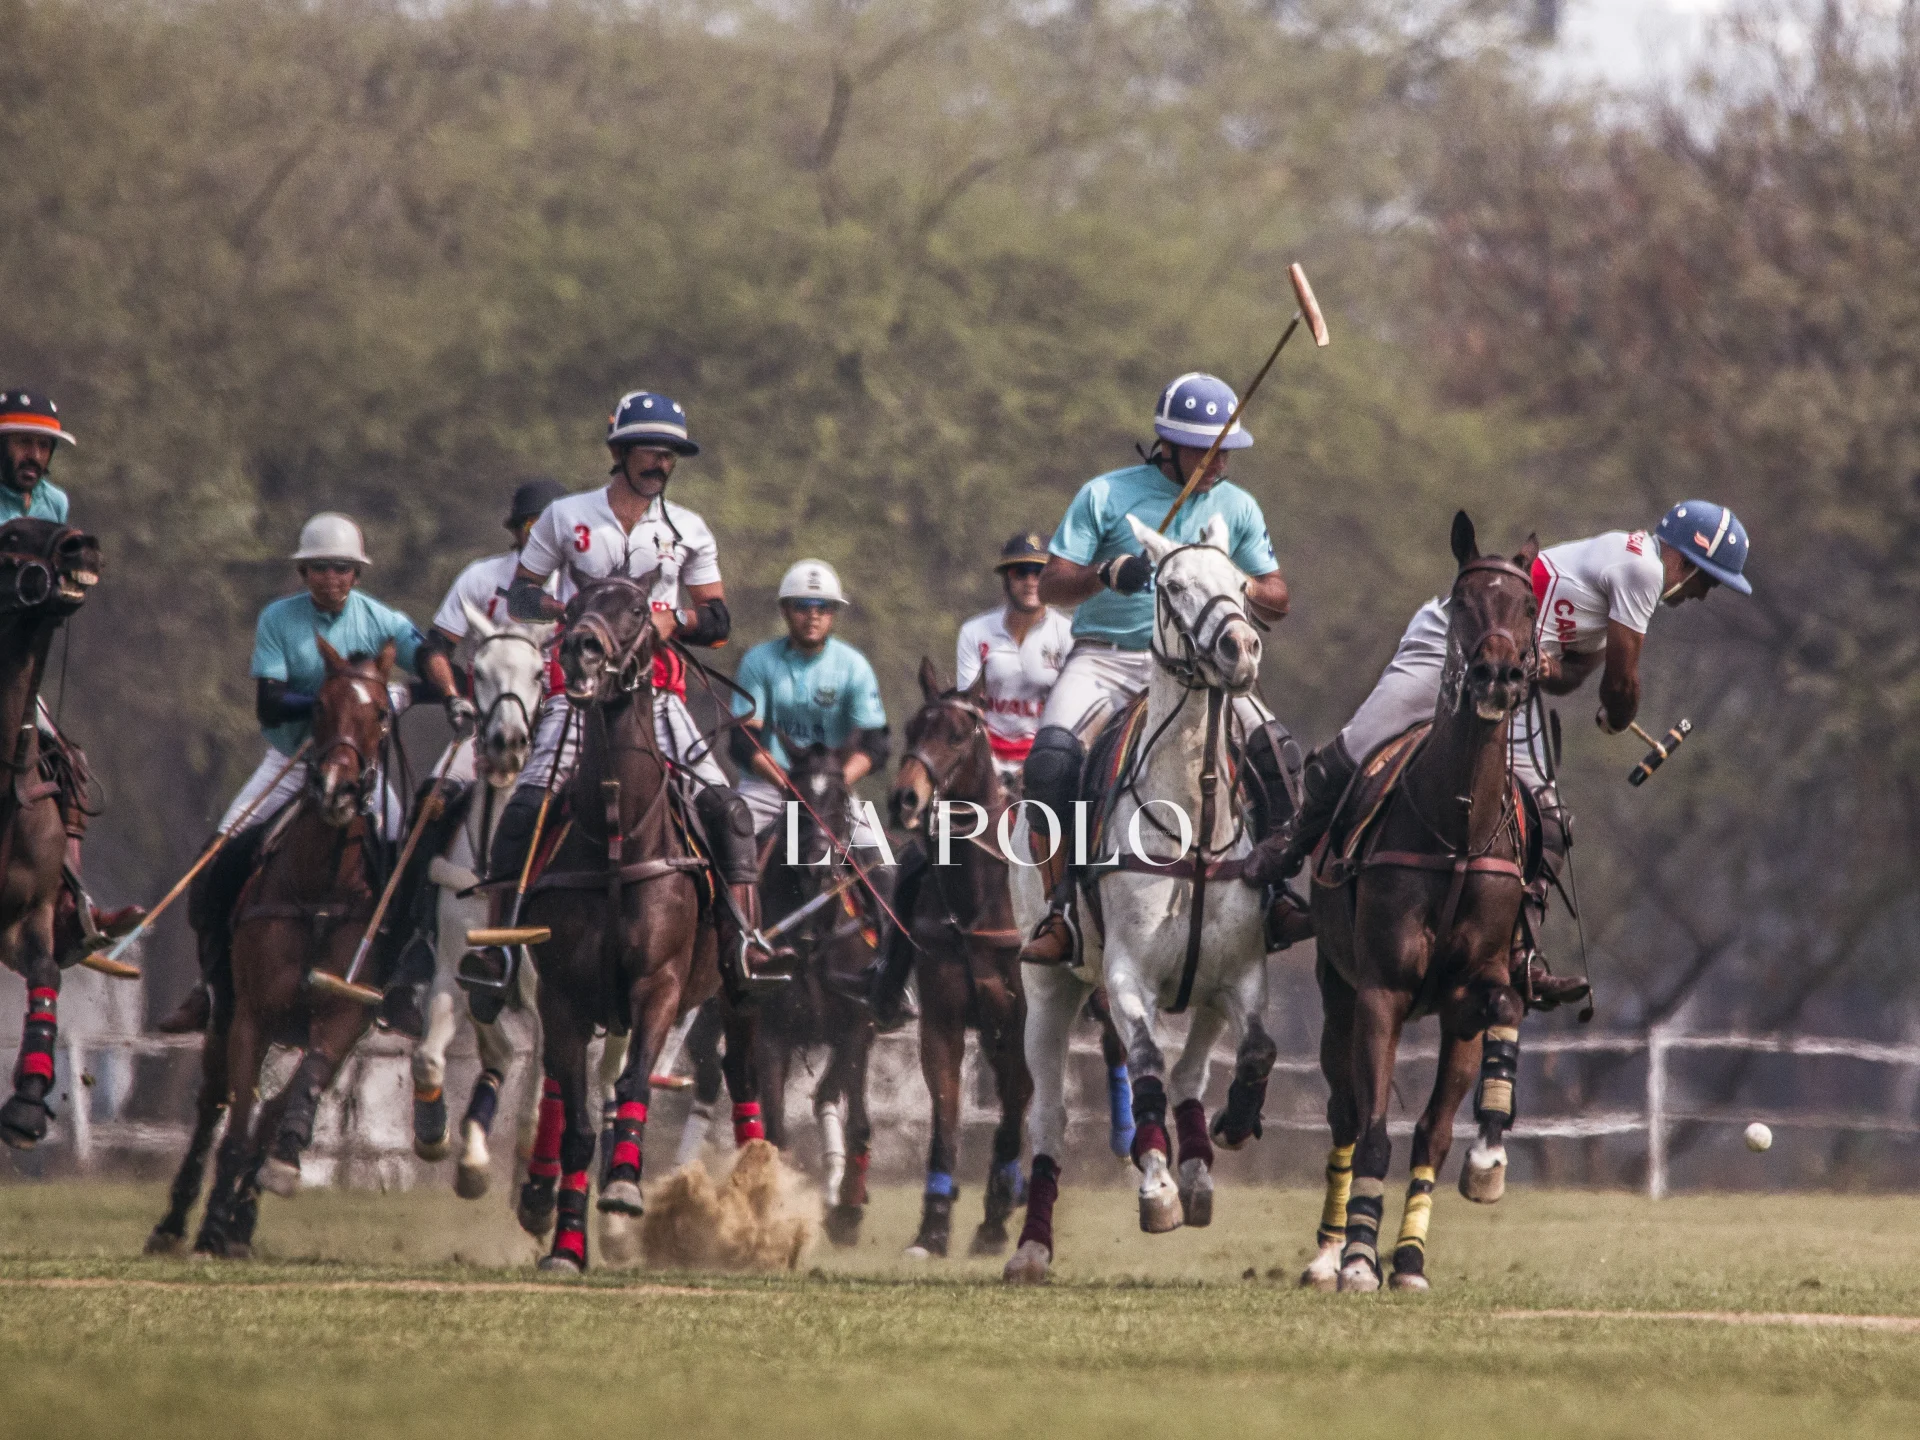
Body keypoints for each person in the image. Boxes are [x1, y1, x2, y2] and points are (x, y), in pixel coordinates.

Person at [1252, 502, 1755, 1007]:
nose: (1703, 594)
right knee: (1356, 749)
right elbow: (1621, 685)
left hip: (1509, 679)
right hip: (1452, 644)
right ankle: (1287, 851)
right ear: (1686, 563)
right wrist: (1617, 715)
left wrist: (1544, 666)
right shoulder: (1643, 570)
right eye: (1708, 581)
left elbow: (1572, 675)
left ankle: (1521, 954)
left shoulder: (1619, 586)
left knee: (1548, 818)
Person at [1016, 372, 1300, 966]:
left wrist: (1231, 579)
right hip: (1107, 659)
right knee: (1049, 762)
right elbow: (1051, 585)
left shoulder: (1238, 507)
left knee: (1278, 752)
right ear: (1167, 445)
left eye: (1228, 448)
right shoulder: (1105, 495)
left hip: (1202, 669)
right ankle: (1062, 907)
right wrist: (1104, 573)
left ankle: (1276, 894)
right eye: (1208, 448)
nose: (1221, 459)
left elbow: (1277, 596)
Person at [497, 390, 774, 998]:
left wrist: (678, 624)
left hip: (660, 697)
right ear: (620, 451)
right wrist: (568, 607)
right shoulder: (565, 517)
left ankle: (741, 942)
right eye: (650, 449)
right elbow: (520, 597)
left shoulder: (689, 529)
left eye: (671, 453)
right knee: (524, 809)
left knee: (729, 811)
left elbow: (719, 619)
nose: (662, 462)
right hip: (578, 697)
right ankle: (498, 952)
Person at [156, 513, 458, 1033]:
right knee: (219, 855)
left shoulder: (381, 619)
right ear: (304, 573)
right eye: (319, 568)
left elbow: (429, 656)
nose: (331, 578)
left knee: (404, 850)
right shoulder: (279, 619)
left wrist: (432, 693)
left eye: (342, 568)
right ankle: (208, 985)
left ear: (357, 574)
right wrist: (330, 700)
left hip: (358, 771)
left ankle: (397, 981)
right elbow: (269, 705)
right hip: (292, 762)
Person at [867, 532, 1071, 1026]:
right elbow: (965, 710)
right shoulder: (975, 632)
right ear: (1006, 579)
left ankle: (1088, 964)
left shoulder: (1066, 634)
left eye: (1038, 571)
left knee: (1083, 849)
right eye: (1020, 571)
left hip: (1045, 763)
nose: (1029, 580)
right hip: (979, 766)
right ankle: (890, 979)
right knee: (917, 857)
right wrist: (991, 771)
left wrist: (1037, 766)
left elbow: (1068, 706)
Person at [0, 387, 143, 960]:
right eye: (21, 443)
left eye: (42, 444)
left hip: (13, 669)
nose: (32, 454)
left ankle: (70, 900)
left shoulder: (53, 504)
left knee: (68, 764)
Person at [727, 558, 890, 841]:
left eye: (823, 607)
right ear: (785, 610)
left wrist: (834, 783)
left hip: (831, 790)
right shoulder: (758, 661)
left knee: (881, 863)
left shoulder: (854, 665)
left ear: (834, 613)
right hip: (767, 788)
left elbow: (875, 744)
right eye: (802, 606)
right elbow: (744, 740)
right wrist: (789, 784)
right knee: (725, 842)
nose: (812, 615)